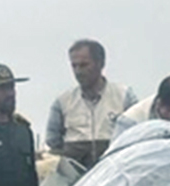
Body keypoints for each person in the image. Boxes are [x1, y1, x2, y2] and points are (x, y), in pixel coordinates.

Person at [45, 39, 140, 168]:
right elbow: (53, 141)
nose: (78, 71)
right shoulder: (62, 102)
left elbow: (137, 133)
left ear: (100, 64)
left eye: (84, 65)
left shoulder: (123, 96)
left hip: (114, 173)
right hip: (76, 180)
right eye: (74, 66)